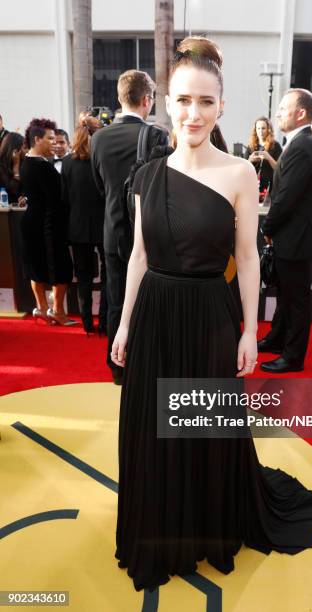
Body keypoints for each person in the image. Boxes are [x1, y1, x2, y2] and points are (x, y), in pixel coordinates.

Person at [111, 37, 312, 592]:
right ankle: (161, 529)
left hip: (210, 314)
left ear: (222, 106)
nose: (193, 113)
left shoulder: (239, 173)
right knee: (155, 433)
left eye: (205, 102)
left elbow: (250, 258)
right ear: (166, 104)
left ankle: (204, 528)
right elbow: (138, 255)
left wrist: (250, 330)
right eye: (183, 100)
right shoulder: (148, 175)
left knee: (202, 430)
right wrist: (125, 322)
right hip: (156, 313)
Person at [91, 69, 168, 385]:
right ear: (147, 100)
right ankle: (146, 366)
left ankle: (118, 369)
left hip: (112, 232)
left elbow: (100, 186)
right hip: (148, 235)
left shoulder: (98, 138)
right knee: (148, 303)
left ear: (121, 99)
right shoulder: (156, 136)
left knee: (116, 302)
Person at [259, 89, 312, 373]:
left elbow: (286, 196)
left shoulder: (303, 145)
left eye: (284, 108)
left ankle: (293, 356)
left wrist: (268, 227)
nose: (277, 113)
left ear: (301, 113)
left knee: (296, 299)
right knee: (286, 294)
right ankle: (277, 339)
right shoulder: (303, 143)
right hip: (293, 235)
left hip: (295, 235)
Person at [20, 118, 75, 325]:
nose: (54, 142)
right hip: (48, 223)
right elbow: (56, 201)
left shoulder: (27, 161)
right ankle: (58, 312)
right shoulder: (43, 166)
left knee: (36, 267)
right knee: (61, 269)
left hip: (32, 221)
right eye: (50, 138)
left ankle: (42, 308)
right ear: (37, 139)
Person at [61, 112, 107, 334]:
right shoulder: (101, 161)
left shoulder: (67, 164)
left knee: (84, 277)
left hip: (77, 228)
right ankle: (106, 321)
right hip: (102, 226)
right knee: (109, 275)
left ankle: (87, 323)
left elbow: (64, 199)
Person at [245, 116, 282, 197]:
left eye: (263, 128)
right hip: (253, 187)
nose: (260, 131)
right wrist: (250, 160)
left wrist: (268, 157)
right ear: (255, 130)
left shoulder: (275, 146)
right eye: (258, 128)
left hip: (270, 188)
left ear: (268, 130)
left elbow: (280, 169)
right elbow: (243, 169)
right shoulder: (251, 146)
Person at [0, 132, 26, 205]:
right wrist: (15, 167)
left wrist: (25, 198)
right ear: (15, 151)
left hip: (21, 208)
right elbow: (13, 191)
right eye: (24, 148)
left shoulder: (24, 163)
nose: (27, 151)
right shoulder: (1, 166)